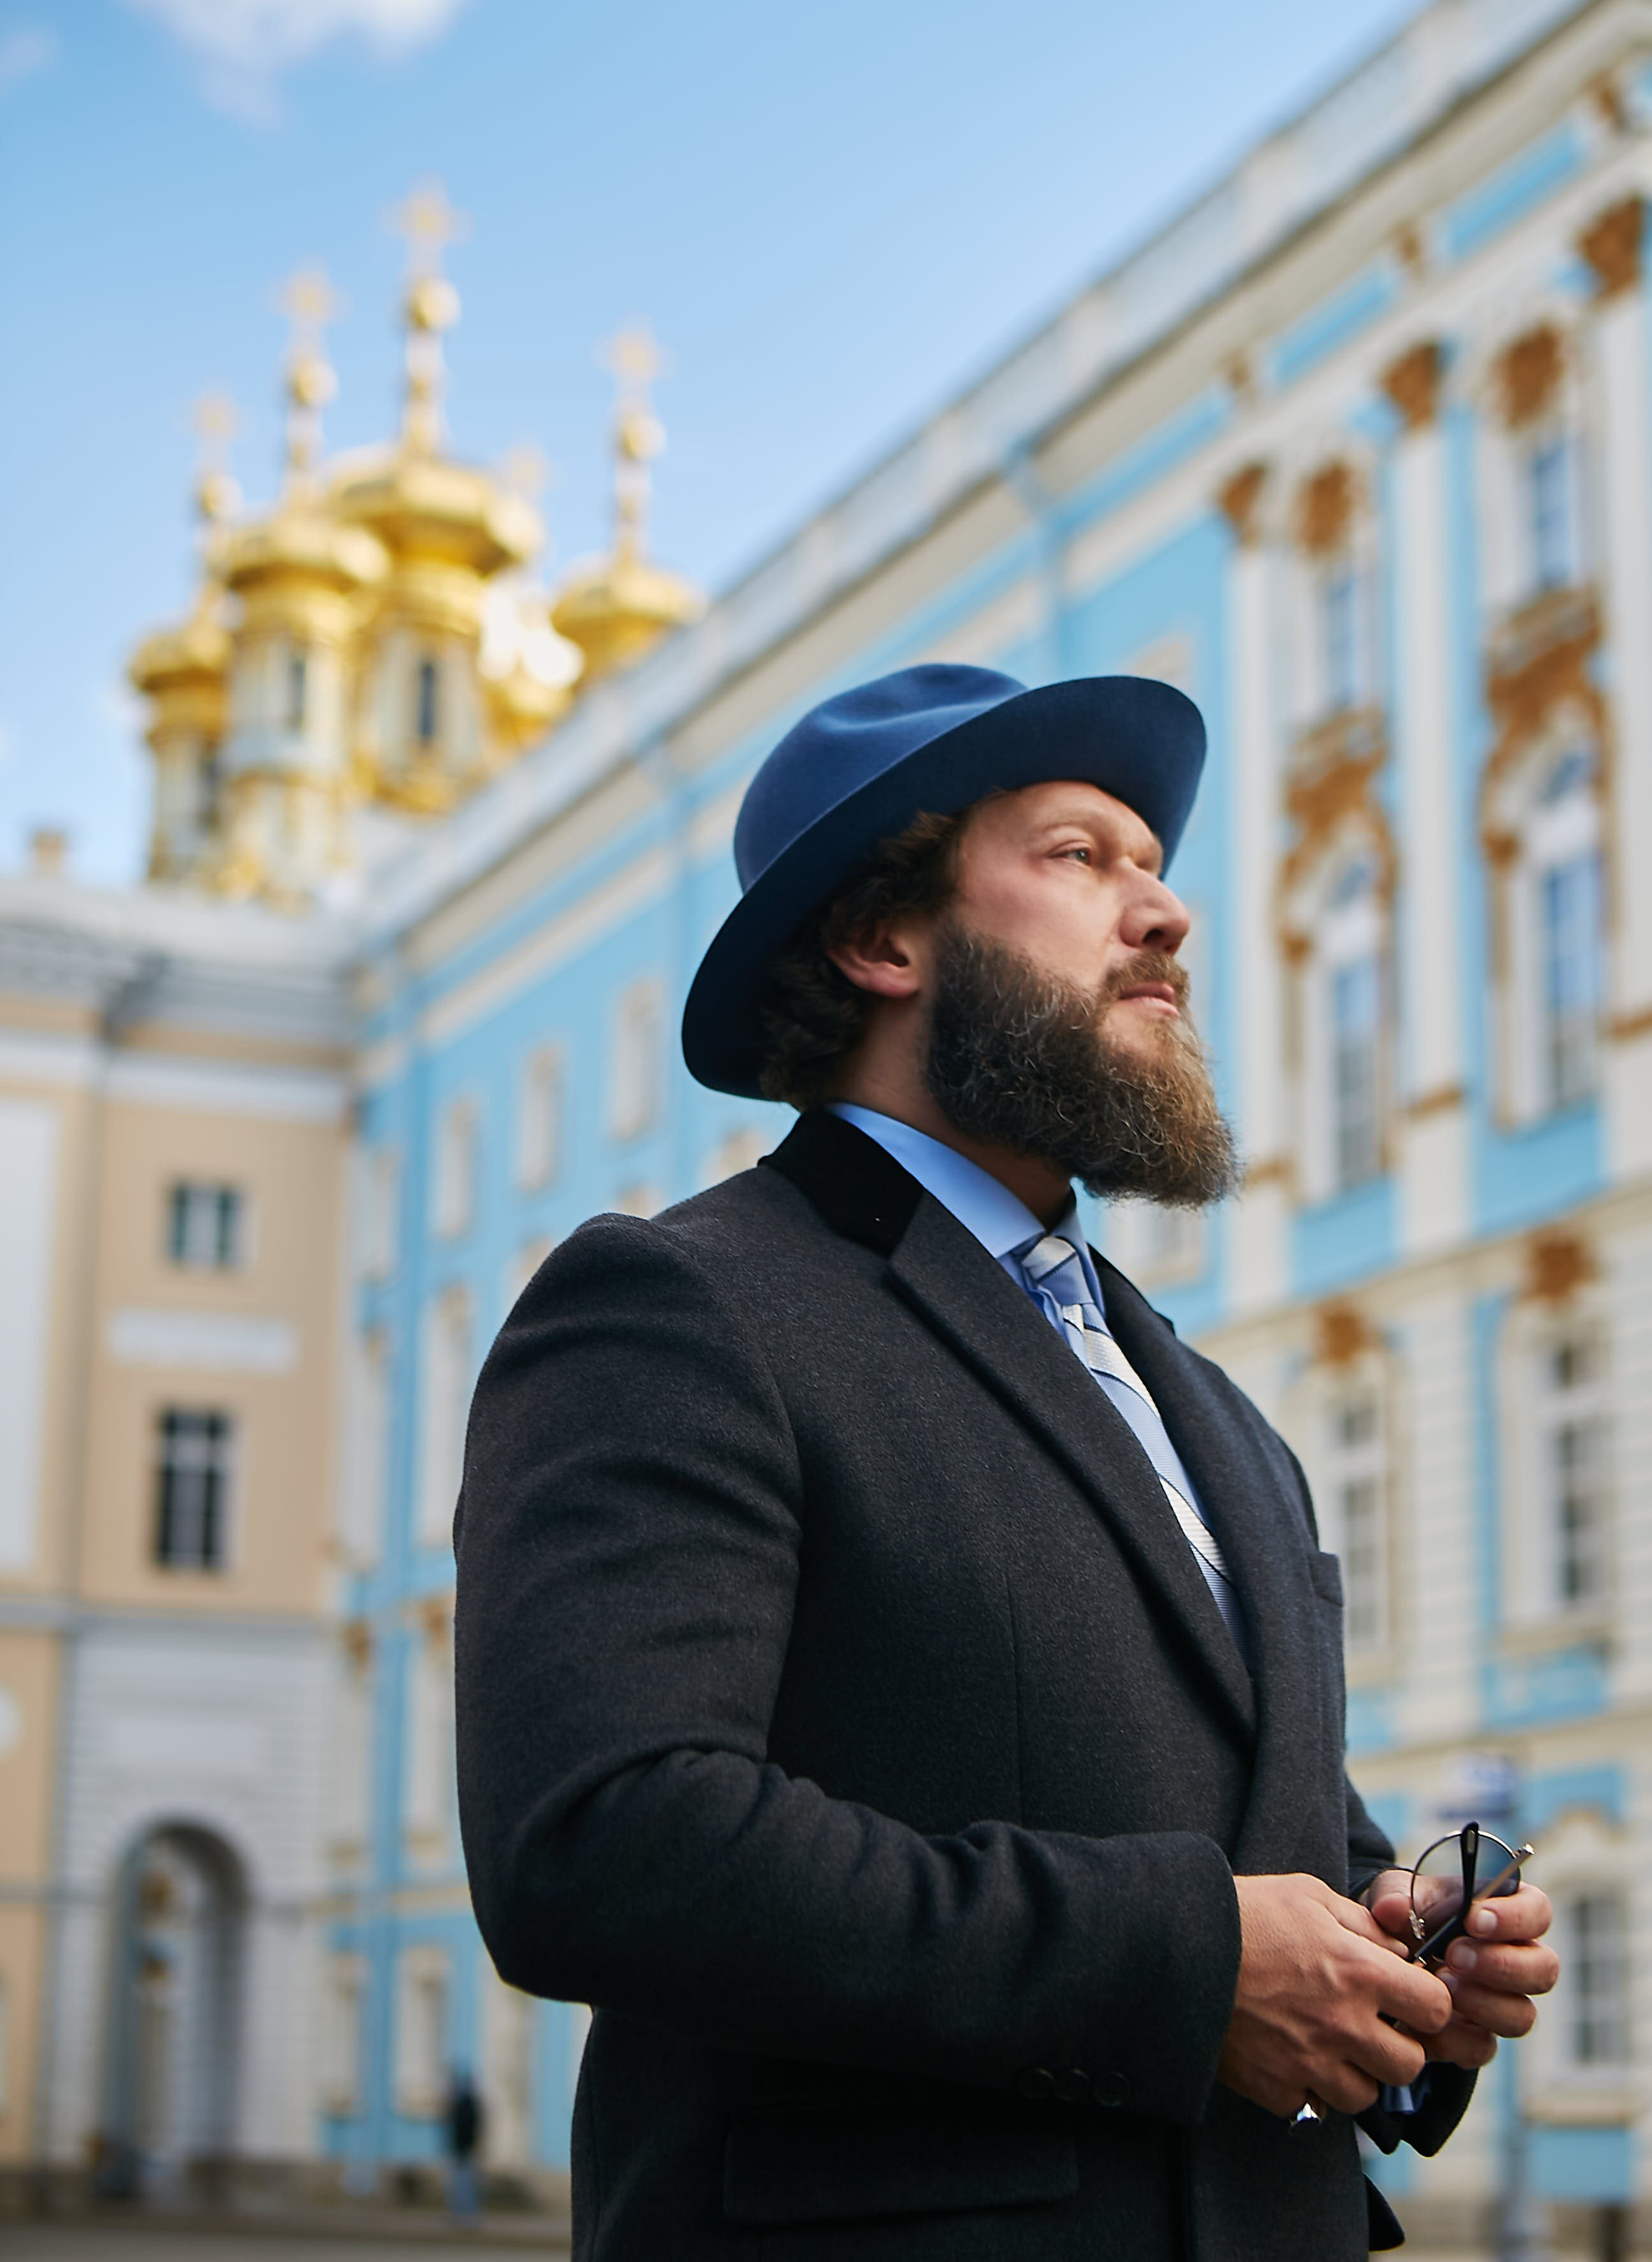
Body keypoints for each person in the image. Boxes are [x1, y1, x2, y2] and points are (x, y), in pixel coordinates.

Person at [456, 663, 1558, 2260]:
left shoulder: (1213, 1411)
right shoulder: (681, 1304)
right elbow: (604, 1842)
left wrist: (1400, 1966)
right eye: (1076, 853)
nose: (1162, 910)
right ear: (881, 939)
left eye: (1153, 862)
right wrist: (1189, 1966)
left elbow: (1268, 1853)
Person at [444, 2067, 483, 2224]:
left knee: (465, 2185)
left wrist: (467, 2147)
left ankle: (466, 2215)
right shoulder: (461, 2102)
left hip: (464, 2151)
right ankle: (461, 2214)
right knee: (462, 2184)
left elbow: (467, 2128)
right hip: (462, 2150)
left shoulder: (466, 2103)